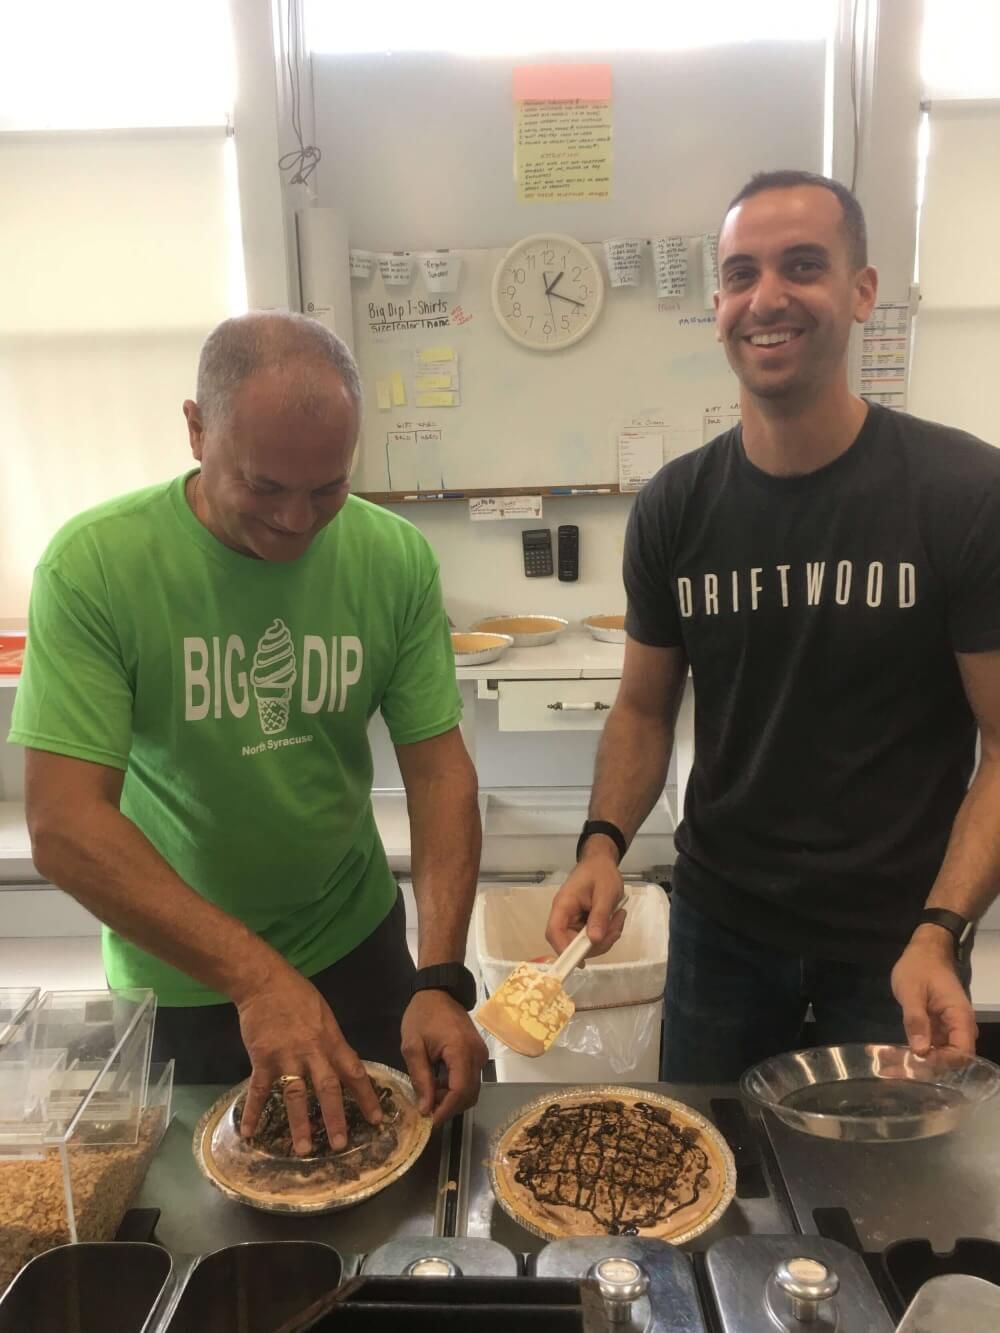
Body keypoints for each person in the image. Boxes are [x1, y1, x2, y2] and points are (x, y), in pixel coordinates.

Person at [546, 170, 1000, 1083]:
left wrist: (941, 927)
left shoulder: (963, 496)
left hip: (897, 942)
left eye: (803, 266)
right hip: (721, 929)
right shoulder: (676, 506)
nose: (768, 297)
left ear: (862, 290)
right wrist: (601, 845)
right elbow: (642, 710)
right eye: (742, 272)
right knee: (709, 1185)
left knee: (878, 1202)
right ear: (717, 303)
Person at [10, 311, 487, 1153]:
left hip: (357, 945)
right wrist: (257, 977)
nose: (299, 521)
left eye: (328, 488)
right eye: (265, 487)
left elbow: (440, 774)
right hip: (184, 975)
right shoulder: (95, 567)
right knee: (213, 1219)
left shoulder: (394, 560)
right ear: (197, 430)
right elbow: (65, 827)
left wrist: (442, 975)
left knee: (392, 1188)